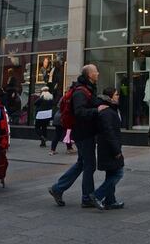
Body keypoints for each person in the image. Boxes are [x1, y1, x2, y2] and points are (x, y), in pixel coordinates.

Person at [49, 65, 102, 208]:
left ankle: (58, 188)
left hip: (85, 132)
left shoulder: (88, 88)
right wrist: (97, 110)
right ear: (90, 74)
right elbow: (80, 112)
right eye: (96, 71)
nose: (98, 73)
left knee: (82, 163)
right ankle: (87, 197)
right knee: (89, 165)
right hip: (83, 133)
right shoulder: (80, 92)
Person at [93, 87, 124, 210]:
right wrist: (116, 150)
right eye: (116, 94)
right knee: (118, 173)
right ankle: (97, 195)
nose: (118, 96)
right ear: (110, 97)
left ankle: (110, 200)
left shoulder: (111, 109)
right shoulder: (107, 111)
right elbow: (109, 132)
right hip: (110, 148)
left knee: (112, 173)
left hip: (109, 146)